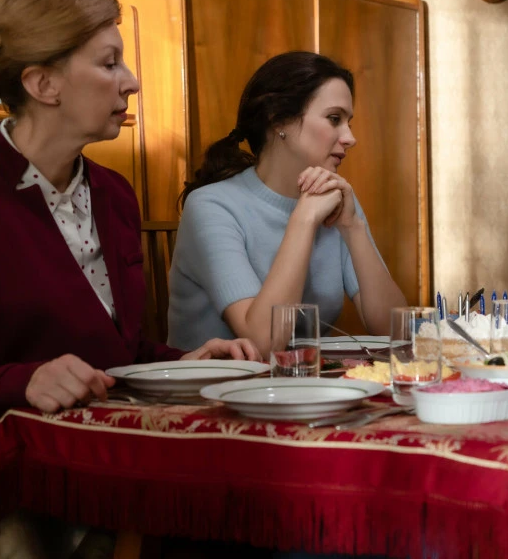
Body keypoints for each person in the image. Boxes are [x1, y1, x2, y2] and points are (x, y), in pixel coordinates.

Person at [0, 0, 258, 554]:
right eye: (109, 62)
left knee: (248, 511)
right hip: (0, 487)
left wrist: (184, 363)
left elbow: (120, 355)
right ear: (43, 84)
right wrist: (22, 381)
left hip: (107, 465)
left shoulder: (115, 194)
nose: (132, 80)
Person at [167, 51, 407, 354]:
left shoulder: (336, 199)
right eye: (334, 119)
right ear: (278, 119)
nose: (350, 137)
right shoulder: (210, 206)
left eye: (349, 122)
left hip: (303, 379)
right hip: (214, 381)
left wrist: (352, 226)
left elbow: (397, 332)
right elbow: (262, 344)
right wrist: (304, 219)